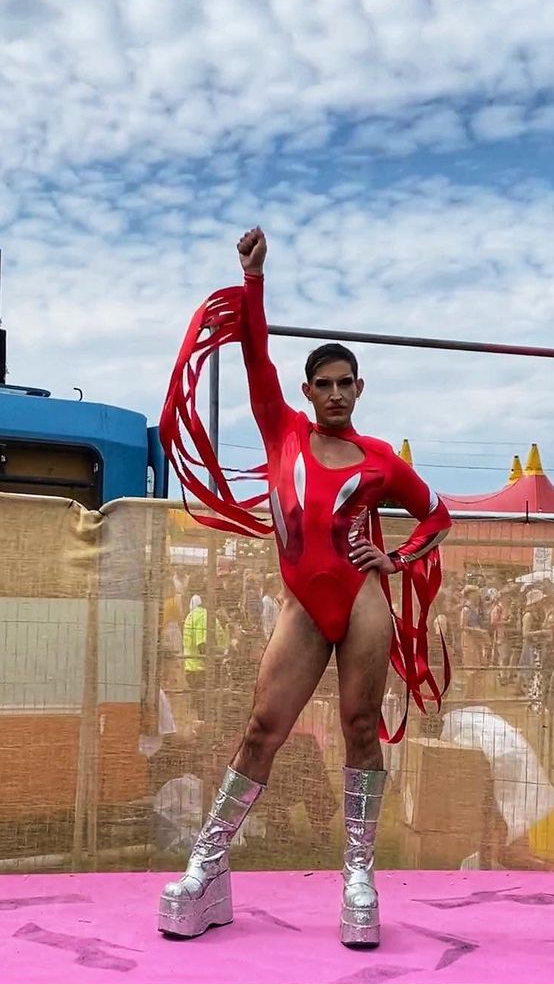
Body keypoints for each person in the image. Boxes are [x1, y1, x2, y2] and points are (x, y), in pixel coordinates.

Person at [158, 226, 450, 947]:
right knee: (263, 729)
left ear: (360, 388)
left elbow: (436, 515)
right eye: (325, 384)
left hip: (361, 603)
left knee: (360, 728)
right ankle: (208, 867)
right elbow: (254, 352)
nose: (336, 393)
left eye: (347, 382)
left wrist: (395, 560)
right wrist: (254, 279)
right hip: (301, 608)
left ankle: (359, 876)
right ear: (307, 391)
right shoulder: (281, 429)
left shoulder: (380, 461)